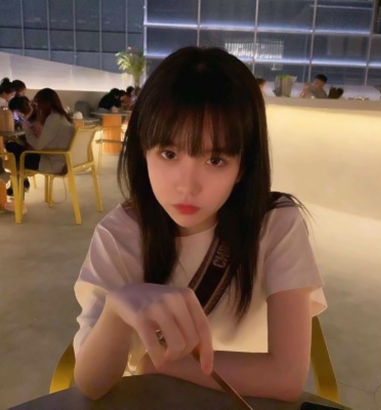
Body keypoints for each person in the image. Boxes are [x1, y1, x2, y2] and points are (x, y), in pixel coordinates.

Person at [73, 47, 327, 401]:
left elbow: (286, 377)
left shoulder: (275, 224)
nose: (187, 186)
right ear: (143, 151)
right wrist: (116, 311)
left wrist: (155, 364)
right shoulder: (120, 234)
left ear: (243, 167)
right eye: (169, 154)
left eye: (216, 159)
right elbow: (90, 384)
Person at [4, 88, 75, 211]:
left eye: (37, 103)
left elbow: (38, 146)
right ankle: (20, 185)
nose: (36, 107)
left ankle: (15, 189)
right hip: (61, 159)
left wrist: (27, 129)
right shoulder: (62, 117)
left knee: (11, 147)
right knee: (16, 151)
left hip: (51, 162)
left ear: (45, 103)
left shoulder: (53, 118)